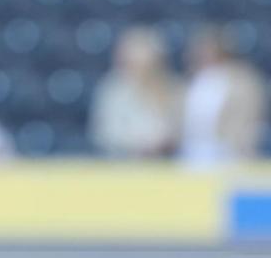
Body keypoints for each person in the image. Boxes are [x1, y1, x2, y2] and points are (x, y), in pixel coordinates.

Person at [88, 26, 184, 158]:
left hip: (166, 163)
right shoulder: (113, 88)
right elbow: (105, 132)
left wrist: (167, 140)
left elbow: (183, 127)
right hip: (124, 164)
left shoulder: (173, 87)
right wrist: (141, 143)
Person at [180, 25, 267, 167]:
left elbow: (249, 118)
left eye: (209, 48)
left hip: (230, 154)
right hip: (191, 155)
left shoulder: (243, 80)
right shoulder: (193, 80)